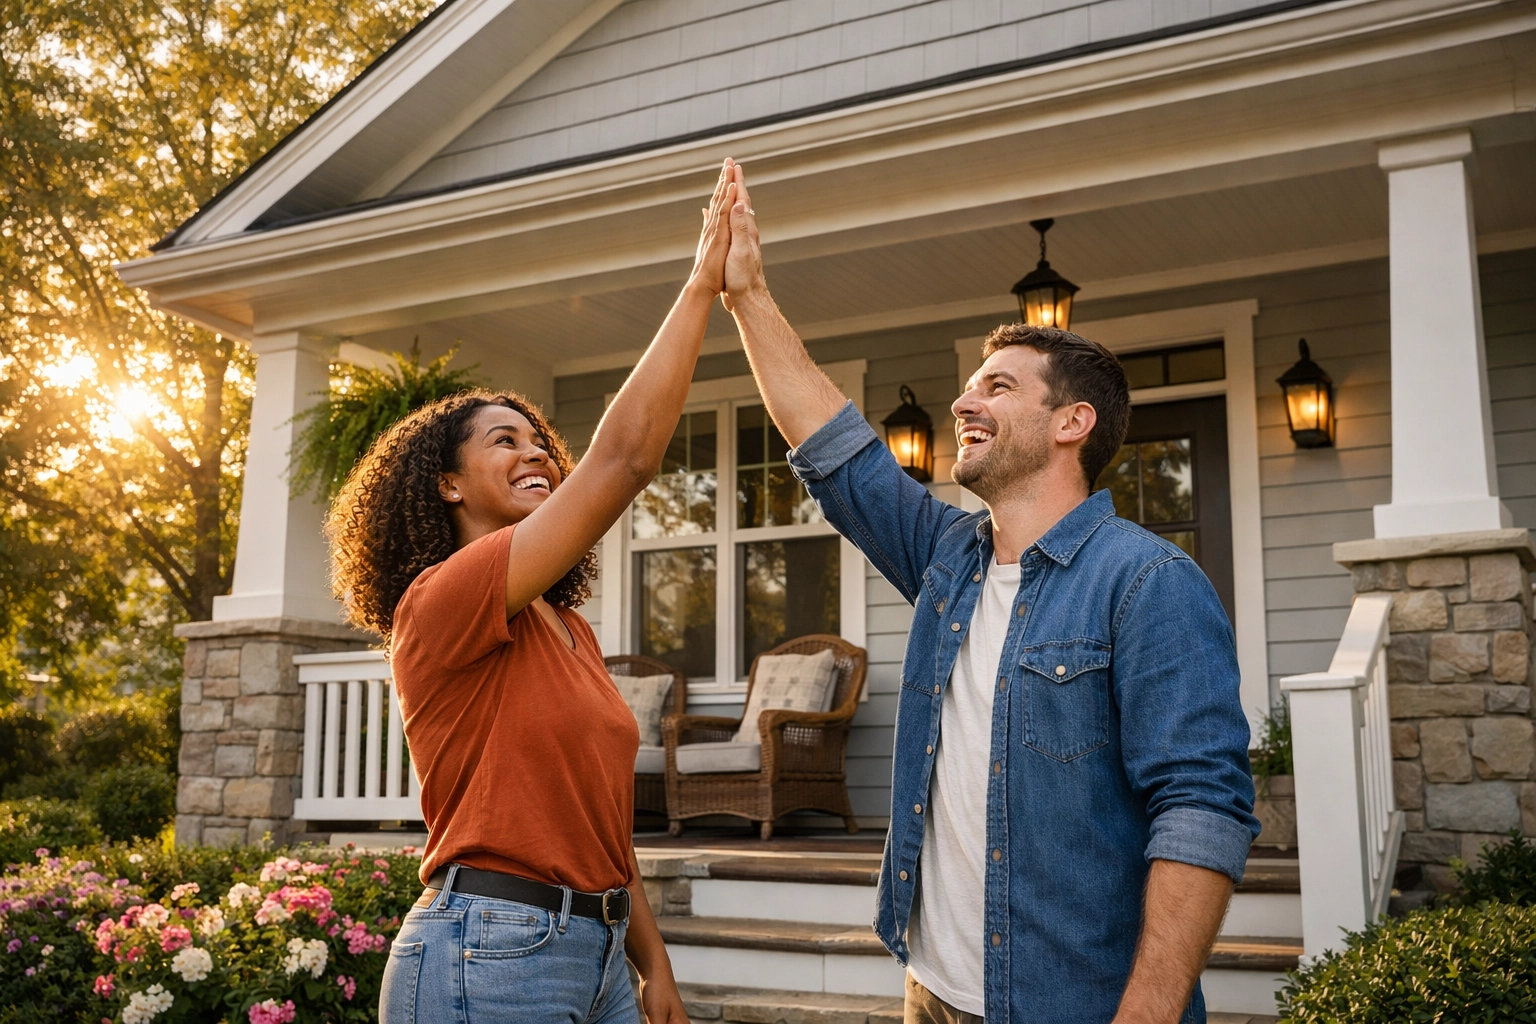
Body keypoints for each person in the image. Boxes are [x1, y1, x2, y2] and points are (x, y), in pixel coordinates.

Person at [716, 165, 1260, 1024]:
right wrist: (746, 295)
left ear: (1071, 422)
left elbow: (1202, 813)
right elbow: (830, 444)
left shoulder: (1148, 582)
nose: (964, 401)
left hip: (1073, 1004)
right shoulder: (948, 560)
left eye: (998, 386)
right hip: (932, 990)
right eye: (971, 383)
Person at [329, 160, 746, 1024]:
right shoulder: (444, 598)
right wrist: (702, 283)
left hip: (596, 953)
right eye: (503, 441)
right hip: (487, 950)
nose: (538, 456)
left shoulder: (568, 631)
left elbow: (597, 827)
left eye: (541, 442)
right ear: (446, 486)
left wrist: (652, 962)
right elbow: (626, 461)